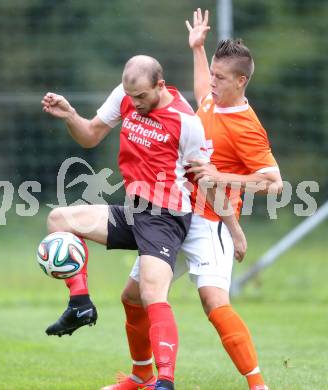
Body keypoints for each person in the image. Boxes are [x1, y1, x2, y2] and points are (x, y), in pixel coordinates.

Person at [102, 9, 283, 390]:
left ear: (241, 80)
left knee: (214, 303)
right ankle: (140, 375)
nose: (212, 83)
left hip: (212, 221)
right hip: (175, 213)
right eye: (213, 74)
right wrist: (198, 49)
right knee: (133, 298)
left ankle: (258, 385)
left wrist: (221, 177)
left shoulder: (248, 128)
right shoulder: (211, 102)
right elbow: (202, 89)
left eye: (221, 78)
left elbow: (274, 182)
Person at [41, 54, 245, 390]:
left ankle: (164, 381)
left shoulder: (186, 121)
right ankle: (80, 304)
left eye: (141, 97)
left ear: (160, 86)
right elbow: (90, 135)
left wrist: (234, 230)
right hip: (134, 210)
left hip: (166, 217)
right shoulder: (125, 96)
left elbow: (207, 181)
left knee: (151, 293)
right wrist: (70, 115)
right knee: (59, 219)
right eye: (130, 96)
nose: (134, 104)